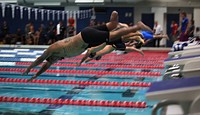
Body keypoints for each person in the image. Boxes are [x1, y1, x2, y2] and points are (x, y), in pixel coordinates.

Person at [22, 11, 152, 82]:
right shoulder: (57, 56)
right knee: (112, 26)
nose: (54, 62)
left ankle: (137, 26)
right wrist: (35, 76)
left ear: (52, 57)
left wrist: (29, 68)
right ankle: (114, 16)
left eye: (53, 61)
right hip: (87, 37)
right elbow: (46, 65)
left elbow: (41, 59)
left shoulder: (53, 48)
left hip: (85, 37)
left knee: (113, 36)